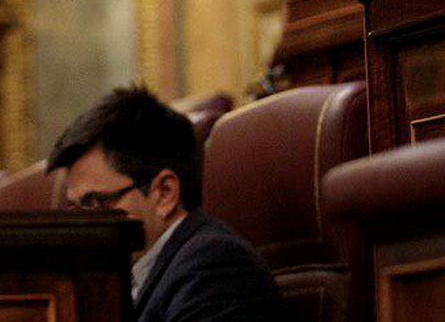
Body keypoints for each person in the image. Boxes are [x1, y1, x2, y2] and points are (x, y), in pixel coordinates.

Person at [48, 86, 286, 322]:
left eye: (96, 203)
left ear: (165, 193)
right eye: (76, 209)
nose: (82, 225)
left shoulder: (216, 267)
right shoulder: (122, 277)